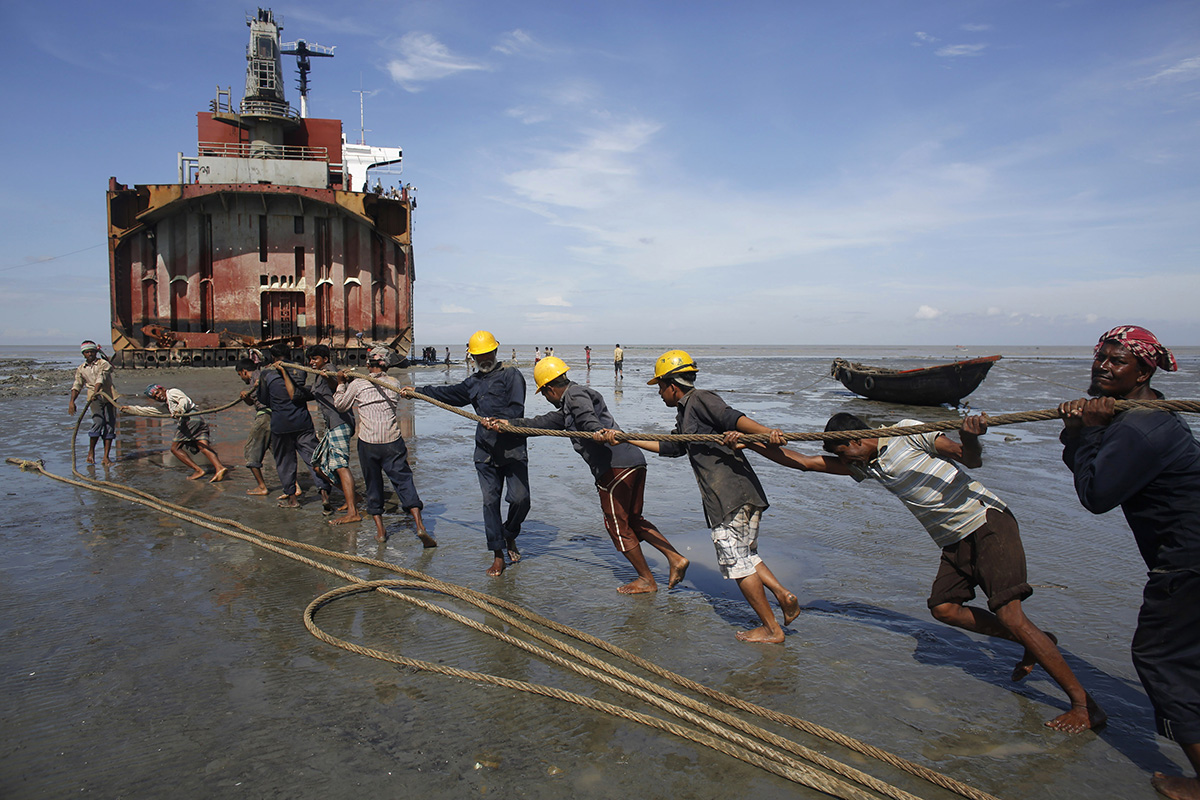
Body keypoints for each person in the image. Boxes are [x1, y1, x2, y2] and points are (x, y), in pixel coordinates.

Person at [750, 411, 1105, 732]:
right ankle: (1034, 642)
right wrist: (751, 444)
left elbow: (971, 460)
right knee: (944, 608)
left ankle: (1084, 706)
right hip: (953, 540)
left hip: (986, 522)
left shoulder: (906, 432)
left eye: (844, 453)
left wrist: (970, 436)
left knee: (1011, 615)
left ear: (858, 439)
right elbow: (806, 463)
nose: (845, 462)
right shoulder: (866, 463)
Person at [1059, 325, 1200, 797]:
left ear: (1144, 370)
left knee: (1160, 657)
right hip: (1189, 554)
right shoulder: (1136, 416)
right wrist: (1078, 431)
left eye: (1117, 361)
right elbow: (1095, 469)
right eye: (1101, 357)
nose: (1103, 366)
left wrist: (1090, 432)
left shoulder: (1140, 427)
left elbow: (1096, 494)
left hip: (1187, 560)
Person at [603, 349, 798, 642]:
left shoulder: (701, 398)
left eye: (659, 386)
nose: (659, 393)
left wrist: (766, 431)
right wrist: (627, 437)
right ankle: (783, 595)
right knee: (746, 554)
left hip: (729, 495)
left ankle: (771, 629)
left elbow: (731, 417)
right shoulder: (686, 413)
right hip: (736, 494)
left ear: (673, 385)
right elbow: (673, 447)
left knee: (736, 563)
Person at [483, 356, 689, 594]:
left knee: (617, 527)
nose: (547, 400)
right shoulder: (569, 404)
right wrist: (508, 424)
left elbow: (586, 418)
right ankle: (675, 559)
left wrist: (596, 431)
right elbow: (541, 423)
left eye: (545, 394)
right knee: (634, 520)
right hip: (633, 461)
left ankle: (646, 579)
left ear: (550, 389)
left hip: (614, 468)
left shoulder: (575, 396)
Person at [404, 330, 529, 576]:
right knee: (490, 501)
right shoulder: (472, 383)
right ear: (472, 357)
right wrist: (418, 391)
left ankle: (509, 534)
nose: (484, 359)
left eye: (487, 353)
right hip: (485, 453)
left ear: (495, 350)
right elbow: (448, 394)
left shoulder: (512, 375)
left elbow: (517, 407)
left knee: (520, 500)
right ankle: (497, 554)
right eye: (478, 355)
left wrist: (502, 422)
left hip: (513, 449)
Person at [335, 346, 434, 545]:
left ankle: (380, 532)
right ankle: (420, 526)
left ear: (366, 364)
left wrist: (341, 384)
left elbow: (340, 405)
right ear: (387, 365)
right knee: (404, 482)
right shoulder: (394, 383)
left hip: (369, 443)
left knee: (373, 485)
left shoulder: (359, 385)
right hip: (392, 442)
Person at [257, 343, 330, 508]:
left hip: (280, 423)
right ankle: (324, 493)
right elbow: (300, 390)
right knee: (313, 458)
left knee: (285, 461)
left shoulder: (267, 373)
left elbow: (263, 399)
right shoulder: (300, 369)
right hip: (302, 420)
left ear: (273, 357)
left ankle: (292, 499)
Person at [122, 384, 229, 483]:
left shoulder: (172, 392)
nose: (158, 397)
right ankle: (219, 468)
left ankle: (198, 470)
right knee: (203, 446)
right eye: (155, 397)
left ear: (162, 389)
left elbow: (183, 400)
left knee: (175, 448)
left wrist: (179, 411)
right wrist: (131, 409)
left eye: (158, 393)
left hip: (189, 418)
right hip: (198, 419)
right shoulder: (167, 406)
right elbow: (149, 411)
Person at [307, 344, 361, 524]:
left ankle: (353, 511)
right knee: (318, 466)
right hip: (333, 425)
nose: (312, 362)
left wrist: (332, 379)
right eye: (310, 359)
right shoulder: (320, 373)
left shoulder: (329, 370)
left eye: (315, 359)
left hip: (340, 423)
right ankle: (353, 497)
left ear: (325, 359)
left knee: (340, 466)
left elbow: (336, 383)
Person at [68, 340, 117, 465]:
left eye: (92, 351)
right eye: (87, 352)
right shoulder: (81, 369)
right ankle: (91, 452)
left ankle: (106, 457)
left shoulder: (103, 363)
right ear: (83, 354)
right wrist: (72, 402)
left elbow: (101, 377)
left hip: (109, 396)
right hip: (94, 398)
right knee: (98, 422)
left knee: (109, 426)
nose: (90, 354)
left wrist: (96, 391)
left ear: (96, 352)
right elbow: (77, 385)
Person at [235, 358, 271, 495]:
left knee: (250, 451)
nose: (241, 378)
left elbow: (261, 401)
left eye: (240, 375)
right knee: (278, 454)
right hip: (273, 416)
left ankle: (262, 486)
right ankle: (294, 486)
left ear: (244, 372)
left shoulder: (257, 378)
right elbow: (253, 402)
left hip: (264, 417)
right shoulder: (258, 378)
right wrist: (246, 397)